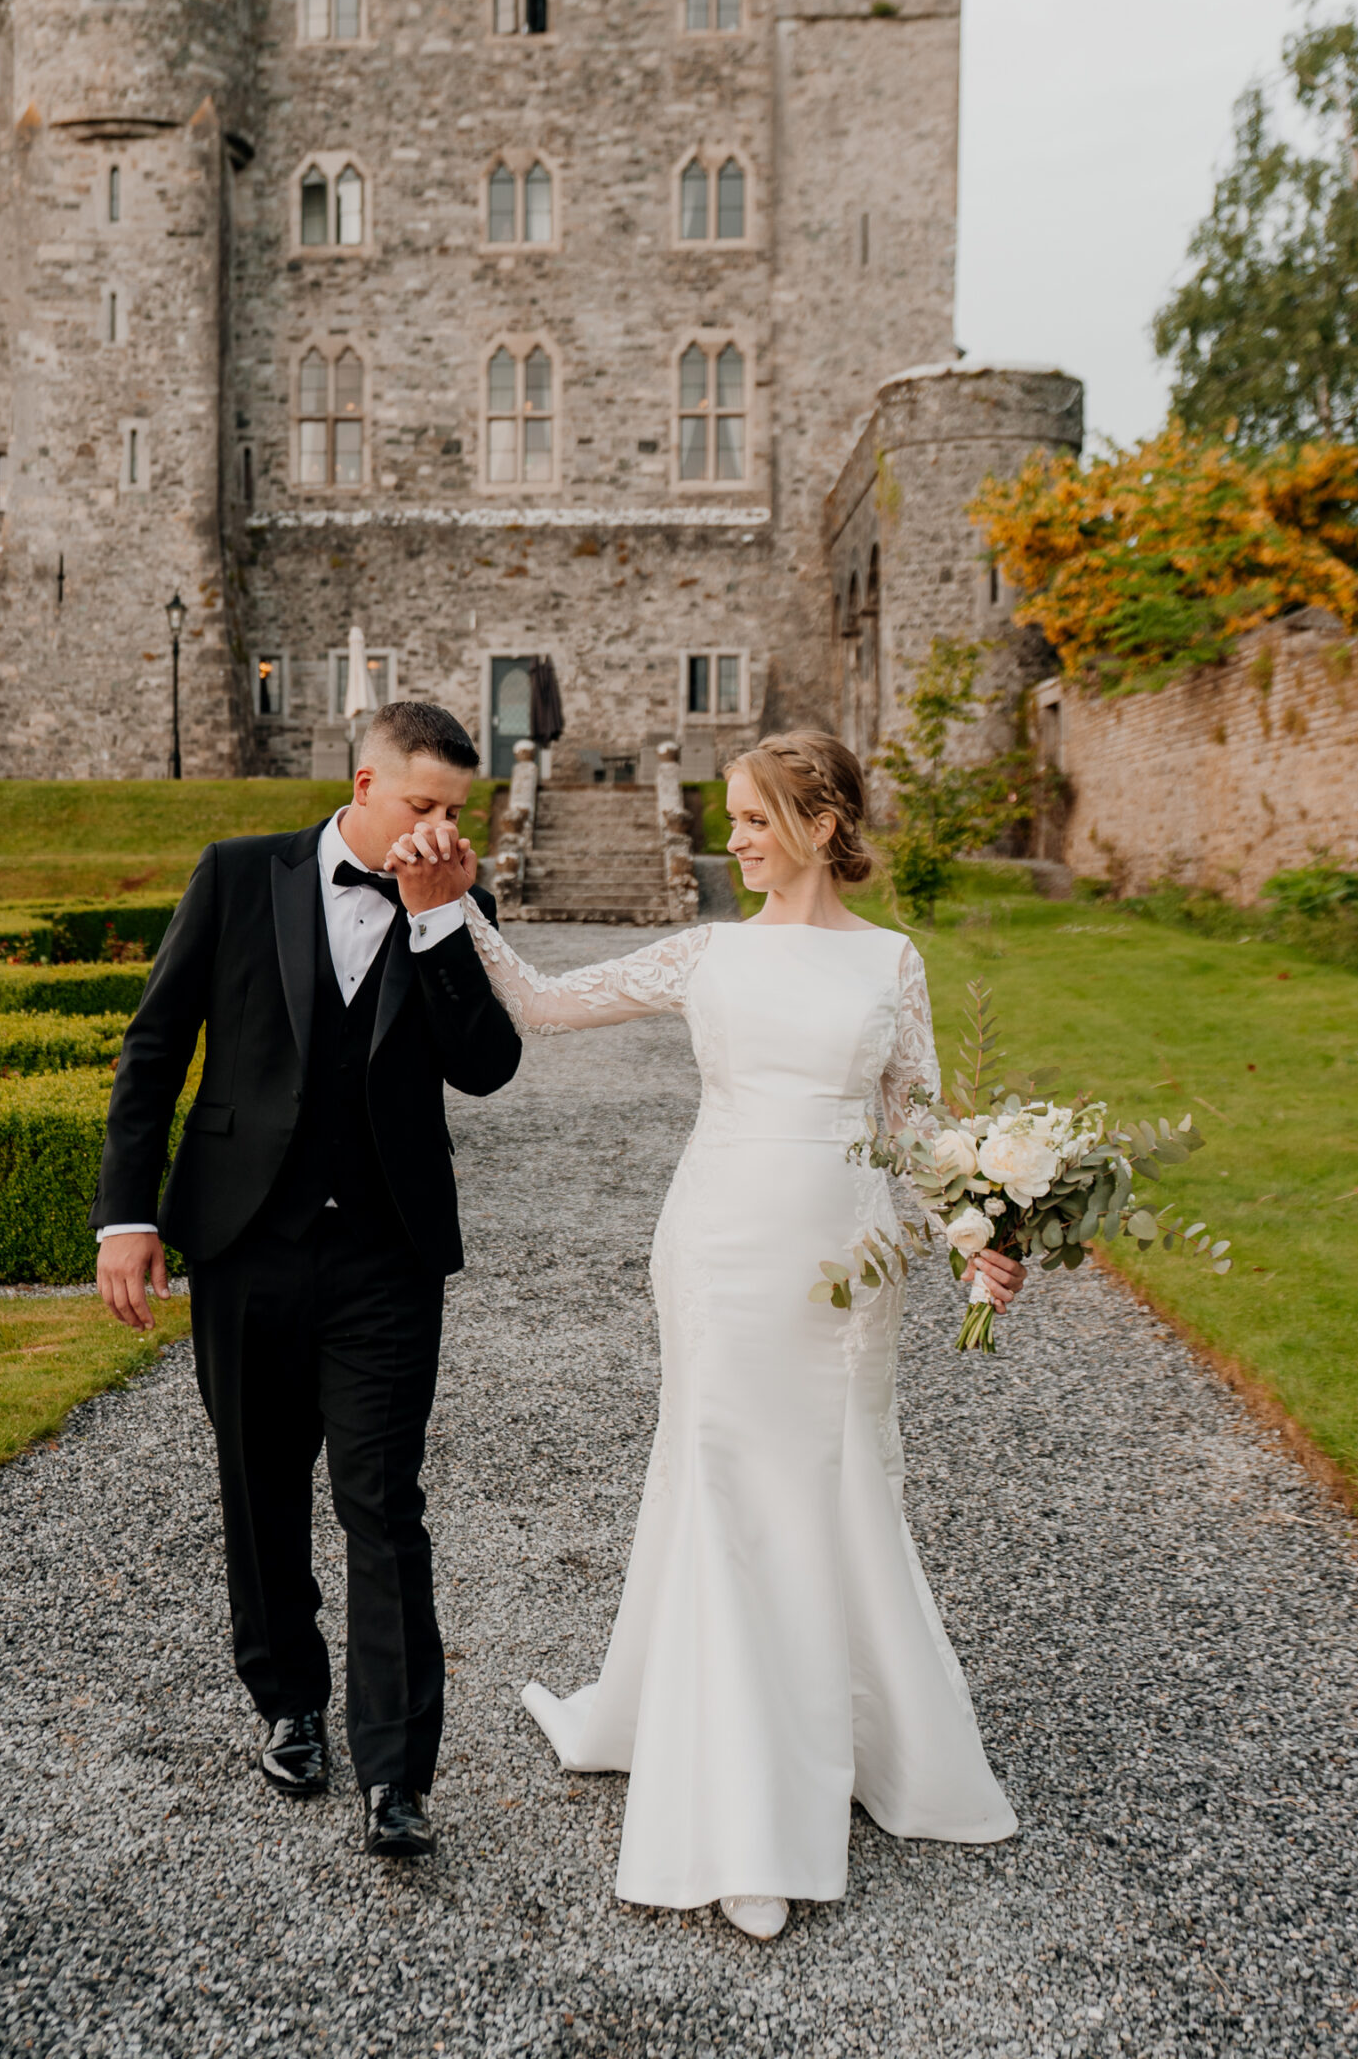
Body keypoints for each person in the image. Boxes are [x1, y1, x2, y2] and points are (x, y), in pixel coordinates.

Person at [386, 729, 1023, 1937]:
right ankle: (744, 1818)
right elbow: (545, 1003)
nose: (731, 838)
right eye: (727, 817)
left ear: (822, 827)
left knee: (838, 1492)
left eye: (750, 819)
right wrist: (457, 909)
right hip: (722, 1256)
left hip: (850, 1261)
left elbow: (921, 1126)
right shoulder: (709, 953)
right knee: (729, 1494)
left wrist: (975, 1237)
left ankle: (870, 1747)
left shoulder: (892, 963)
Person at [93, 700, 520, 1858]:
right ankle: (288, 1702)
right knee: (260, 1487)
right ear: (365, 784)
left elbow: (487, 1068)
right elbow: (154, 1046)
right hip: (245, 1242)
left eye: (455, 812)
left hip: (388, 1253)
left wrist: (438, 927)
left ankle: (396, 1771)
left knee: (384, 1502)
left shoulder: (461, 901)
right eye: (422, 805)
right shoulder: (239, 876)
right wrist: (127, 1215)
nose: (440, 828)